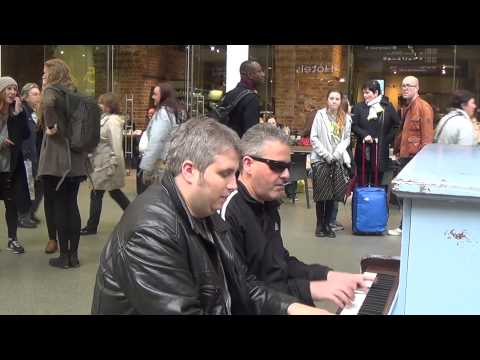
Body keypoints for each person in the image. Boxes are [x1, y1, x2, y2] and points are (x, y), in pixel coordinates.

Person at [91, 118, 330, 315]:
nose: (234, 185)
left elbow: (241, 285)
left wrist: (292, 308)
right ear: (189, 171)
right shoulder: (150, 232)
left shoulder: (205, 212)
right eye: (225, 174)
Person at [220, 124, 372, 308]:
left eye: (288, 167)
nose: (287, 175)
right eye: (277, 166)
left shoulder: (266, 203)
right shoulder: (228, 211)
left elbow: (280, 264)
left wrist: (328, 276)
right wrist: (310, 290)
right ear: (248, 164)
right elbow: (239, 291)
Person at [37, 58, 88, 268]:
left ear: (54, 74)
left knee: (59, 205)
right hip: (75, 159)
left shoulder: (51, 91)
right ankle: (73, 256)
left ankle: (64, 256)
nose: (42, 76)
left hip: (57, 159)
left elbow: (47, 105)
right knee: (72, 205)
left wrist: (51, 125)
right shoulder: (74, 93)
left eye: (45, 73)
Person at [80, 93, 130, 236]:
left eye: (102, 103)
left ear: (109, 105)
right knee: (114, 193)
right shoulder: (105, 119)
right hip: (102, 162)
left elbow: (116, 145)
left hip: (107, 164)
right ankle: (135, 215)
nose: (99, 105)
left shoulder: (113, 121)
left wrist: (115, 164)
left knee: (97, 193)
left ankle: (91, 227)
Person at [389, 76, 434, 236]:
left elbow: (427, 138)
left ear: (417, 88)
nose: (405, 88)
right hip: (406, 157)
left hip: (415, 159)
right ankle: (405, 225)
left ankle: (406, 226)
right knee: (404, 194)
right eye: (403, 85)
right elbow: (404, 134)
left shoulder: (423, 107)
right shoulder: (407, 108)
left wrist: (422, 162)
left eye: (409, 85)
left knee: (409, 194)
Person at [310, 90, 352, 238]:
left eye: (337, 99)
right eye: (331, 98)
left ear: (341, 101)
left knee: (332, 195)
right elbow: (313, 137)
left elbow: (346, 139)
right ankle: (319, 225)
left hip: (336, 159)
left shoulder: (345, 118)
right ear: (327, 100)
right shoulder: (320, 115)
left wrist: (336, 154)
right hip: (321, 160)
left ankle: (328, 225)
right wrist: (326, 155)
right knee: (321, 194)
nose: (334, 101)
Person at [0, 76, 30, 254]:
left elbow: (25, 135)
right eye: (8, 89)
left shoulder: (17, 112)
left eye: (14, 89)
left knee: (11, 205)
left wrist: (19, 115)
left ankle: (12, 239)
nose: (12, 92)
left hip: (9, 167)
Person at [352, 80, 400, 186]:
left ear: (376, 92)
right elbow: (353, 125)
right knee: (361, 182)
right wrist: (364, 135)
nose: (365, 96)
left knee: (377, 182)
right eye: (364, 93)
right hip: (363, 149)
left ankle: (375, 202)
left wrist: (386, 139)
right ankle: (362, 202)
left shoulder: (387, 107)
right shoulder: (359, 107)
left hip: (380, 150)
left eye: (368, 92)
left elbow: (397, 125)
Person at [139, 82, 182, 187]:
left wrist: (147, 168)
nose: (153, 97)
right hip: (173, 162)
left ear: (163, 96)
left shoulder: (163, 113)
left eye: (155, 94)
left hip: (161, 165)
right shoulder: (176, 111)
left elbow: (157, 141)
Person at [18, 82, 43, 228]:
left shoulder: (35, 112)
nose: (38, 96)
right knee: (26, 187)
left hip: (35, 155)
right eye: (34, 94)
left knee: (38, 186)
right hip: (25, 156)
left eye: (39, 93)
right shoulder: (22, 112)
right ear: (25, 97)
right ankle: (22, 216)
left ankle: (30, 212)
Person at [221, 60, 265, 138]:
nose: (263, 74)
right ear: (250, 75)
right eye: (259, 71)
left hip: (226, 144)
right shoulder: (251, 98)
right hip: (240, 146)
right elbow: (251, 134)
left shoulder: (229, 94)